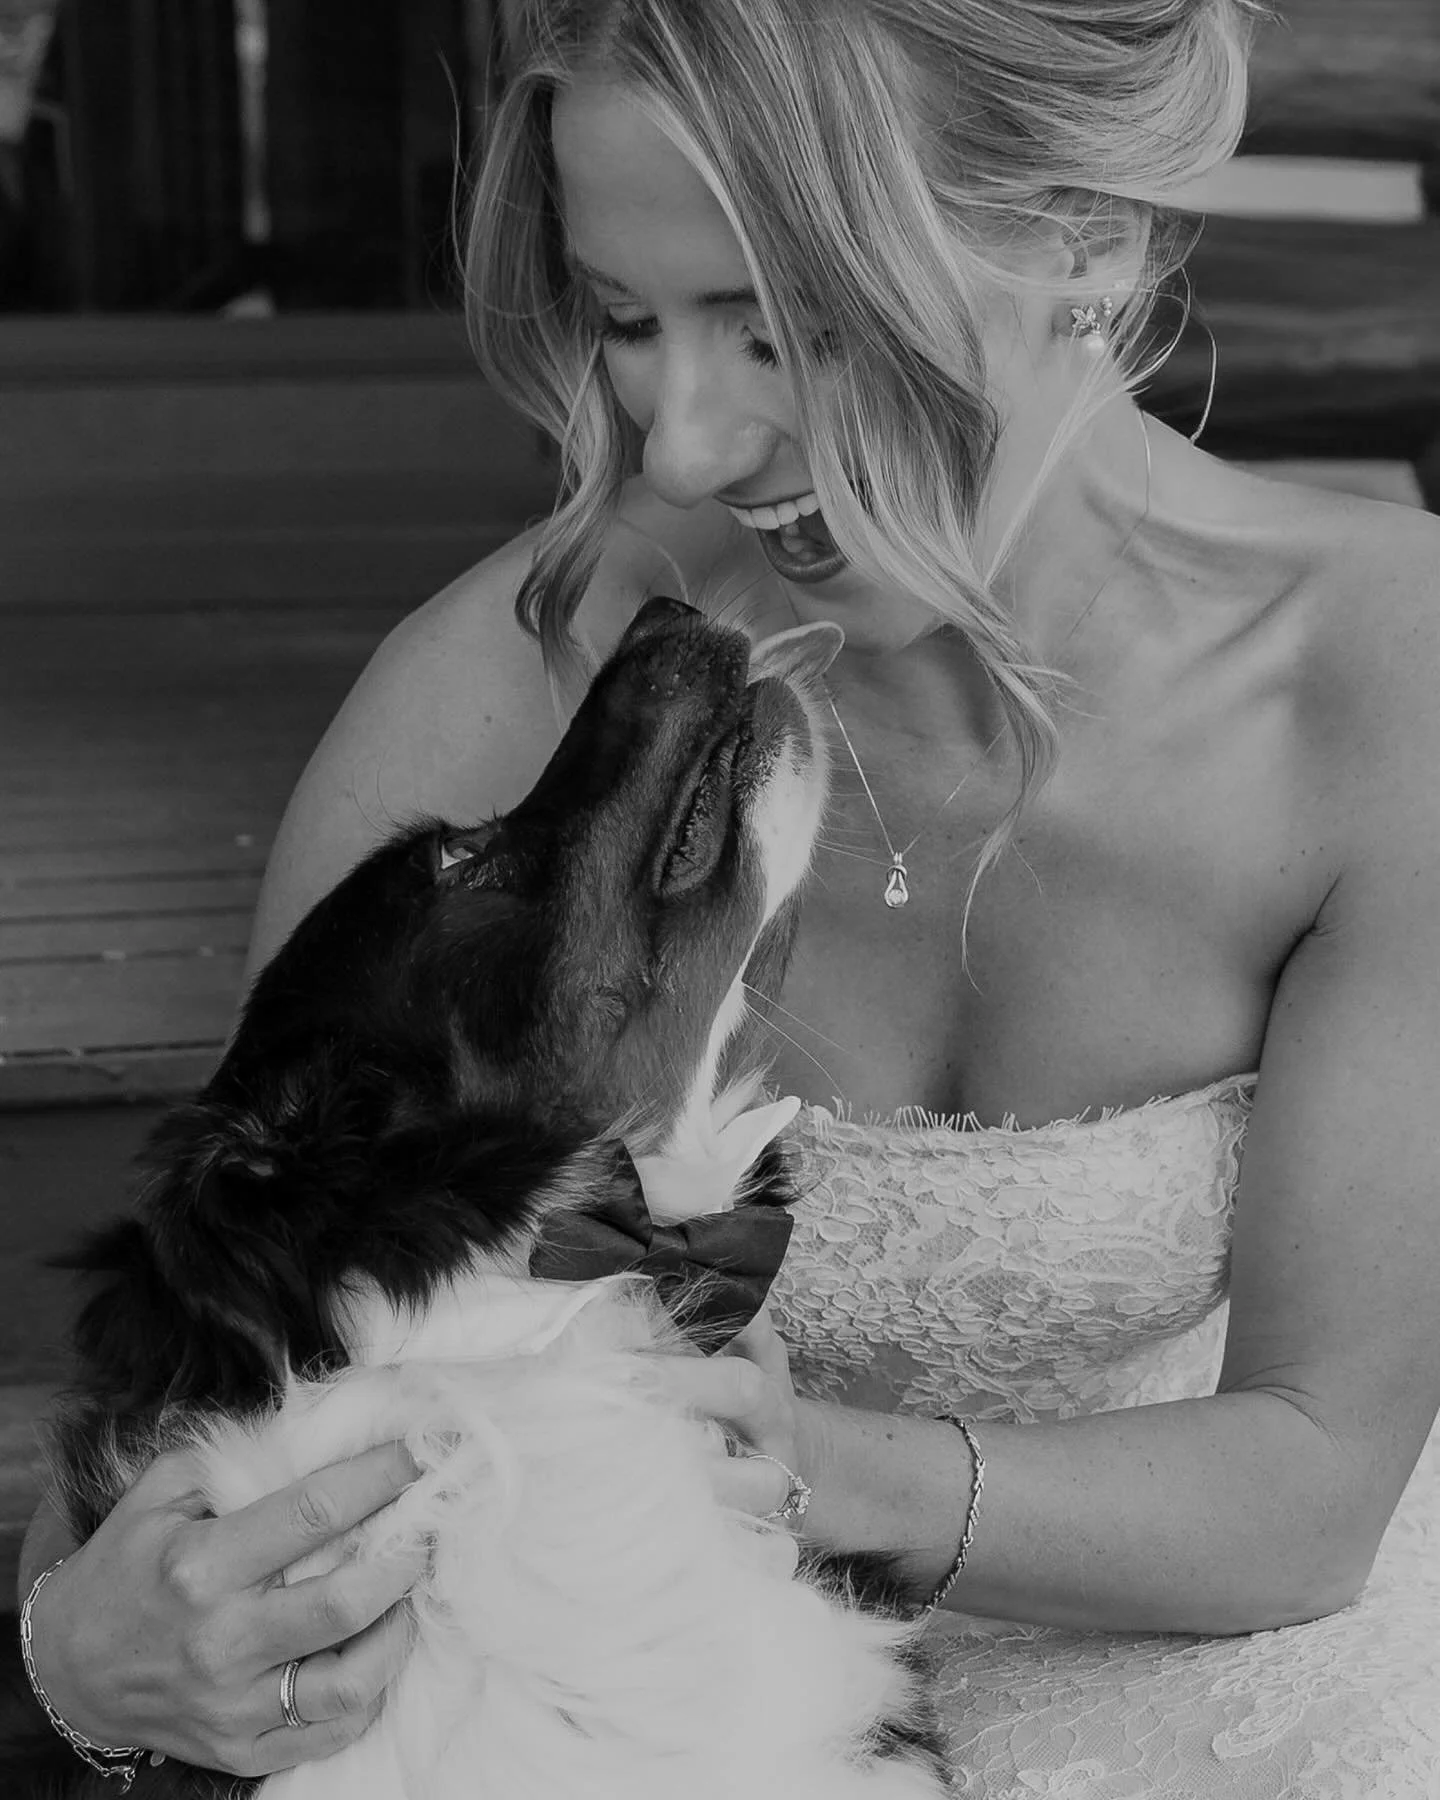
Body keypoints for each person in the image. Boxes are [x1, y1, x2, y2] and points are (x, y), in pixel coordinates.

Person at [17, 0, 1440, 1791]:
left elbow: (1311, 1485)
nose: (682, 446)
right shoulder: (522, 693)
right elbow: (215, 1362)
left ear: (1073, 234)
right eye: (627, 322)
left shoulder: (1392, 681)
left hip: (1216, 1668)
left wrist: (807, 1468)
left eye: (780, 329)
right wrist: (83, 1653)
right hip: (591, 1710)